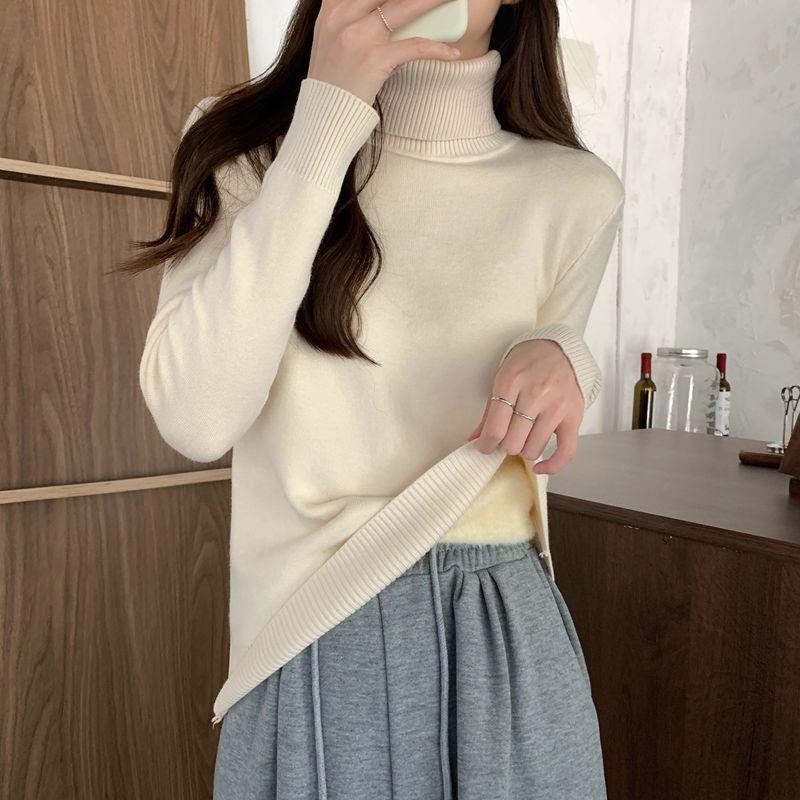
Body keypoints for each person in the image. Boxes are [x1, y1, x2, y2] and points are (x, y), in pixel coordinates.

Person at [127, 0, 625, 796]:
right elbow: (195, 417)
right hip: (315, 624)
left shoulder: (578, 191)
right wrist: (327, 118)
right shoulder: (244, 149)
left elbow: (544, 387)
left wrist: (570, 357)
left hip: (504, 625)